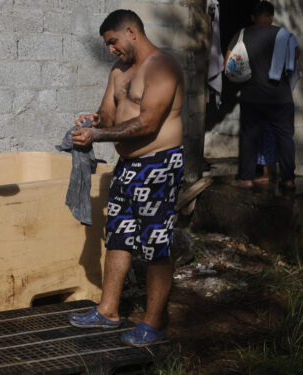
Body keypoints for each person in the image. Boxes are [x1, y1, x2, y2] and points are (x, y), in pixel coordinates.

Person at [67, 9, 185, 347]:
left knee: (156, 244)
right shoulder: (119, 71)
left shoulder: (162, 66)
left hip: (158, 163)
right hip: (127, 167)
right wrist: (95, 120)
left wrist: (97, 137)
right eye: (107, 45)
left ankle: (153, 322)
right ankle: (108, 310)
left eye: (113, 42)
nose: (111, 51)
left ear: (131, 31)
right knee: (118, 236)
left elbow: (148, 122)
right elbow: (109, 112)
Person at [224, 1, 298, 190]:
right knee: (285, 139)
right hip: (281, 98)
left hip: (252, 97)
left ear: (253, 17)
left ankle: (247, 179)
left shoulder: (242, 34)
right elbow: (295, 56)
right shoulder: (284, 35)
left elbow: (229, 62)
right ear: (272, 17)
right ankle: (288, 179)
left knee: (250, 137)